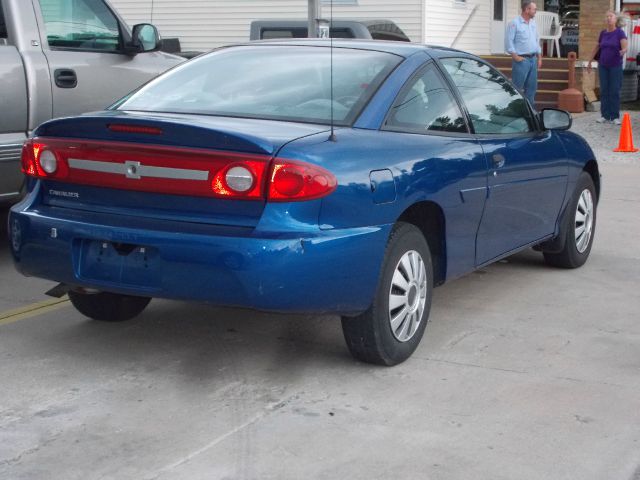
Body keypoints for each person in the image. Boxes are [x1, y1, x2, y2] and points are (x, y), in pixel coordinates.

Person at [587, 11, 628, 125]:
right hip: (603, 65)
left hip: (615, 66)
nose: (609, 18)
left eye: (611, 16)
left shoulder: (620, 33)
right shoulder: (603, 33)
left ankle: (615, 116)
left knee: (614, 90)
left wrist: (623, 51)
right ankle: (604, 115)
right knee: (604, 90)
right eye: (607, 17)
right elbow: (596, 47)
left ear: (615, 19)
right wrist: (589, 61)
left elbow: (625, 46)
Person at [505, 1, 543, 108]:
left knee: (531, 88)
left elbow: (536, 41)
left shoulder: (533, 23)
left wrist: (539, 57)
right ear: (527, 10)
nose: (535, 11)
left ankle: (530, 112)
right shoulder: (514, 23)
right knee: (516, 88)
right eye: (534, 9)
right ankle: (513, 111)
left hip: (533, 59)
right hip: (521, 60)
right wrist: (515, 57)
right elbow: (509, 41)